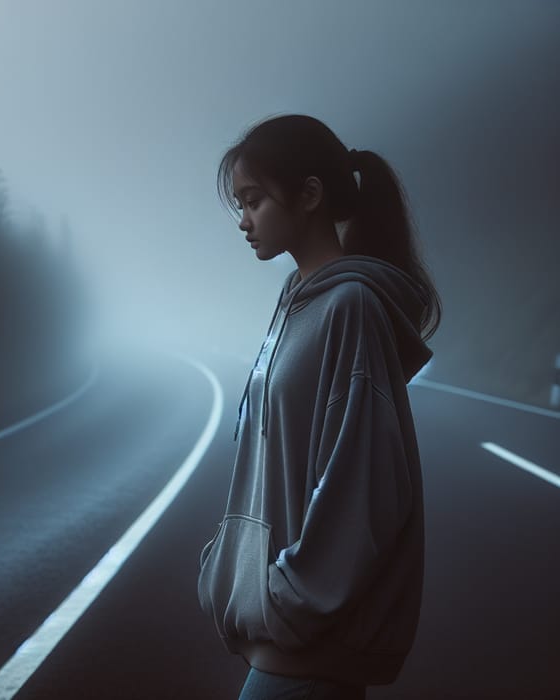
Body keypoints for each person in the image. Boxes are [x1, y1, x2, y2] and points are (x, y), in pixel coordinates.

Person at [197, 114, 441, 700]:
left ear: (309, 194)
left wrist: (288, 597)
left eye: (253, 200)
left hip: (308, 652)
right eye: (239, 203)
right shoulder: (297, 301)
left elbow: (366, 481)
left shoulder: (349, 306)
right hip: (287, 644)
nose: (243, 220)